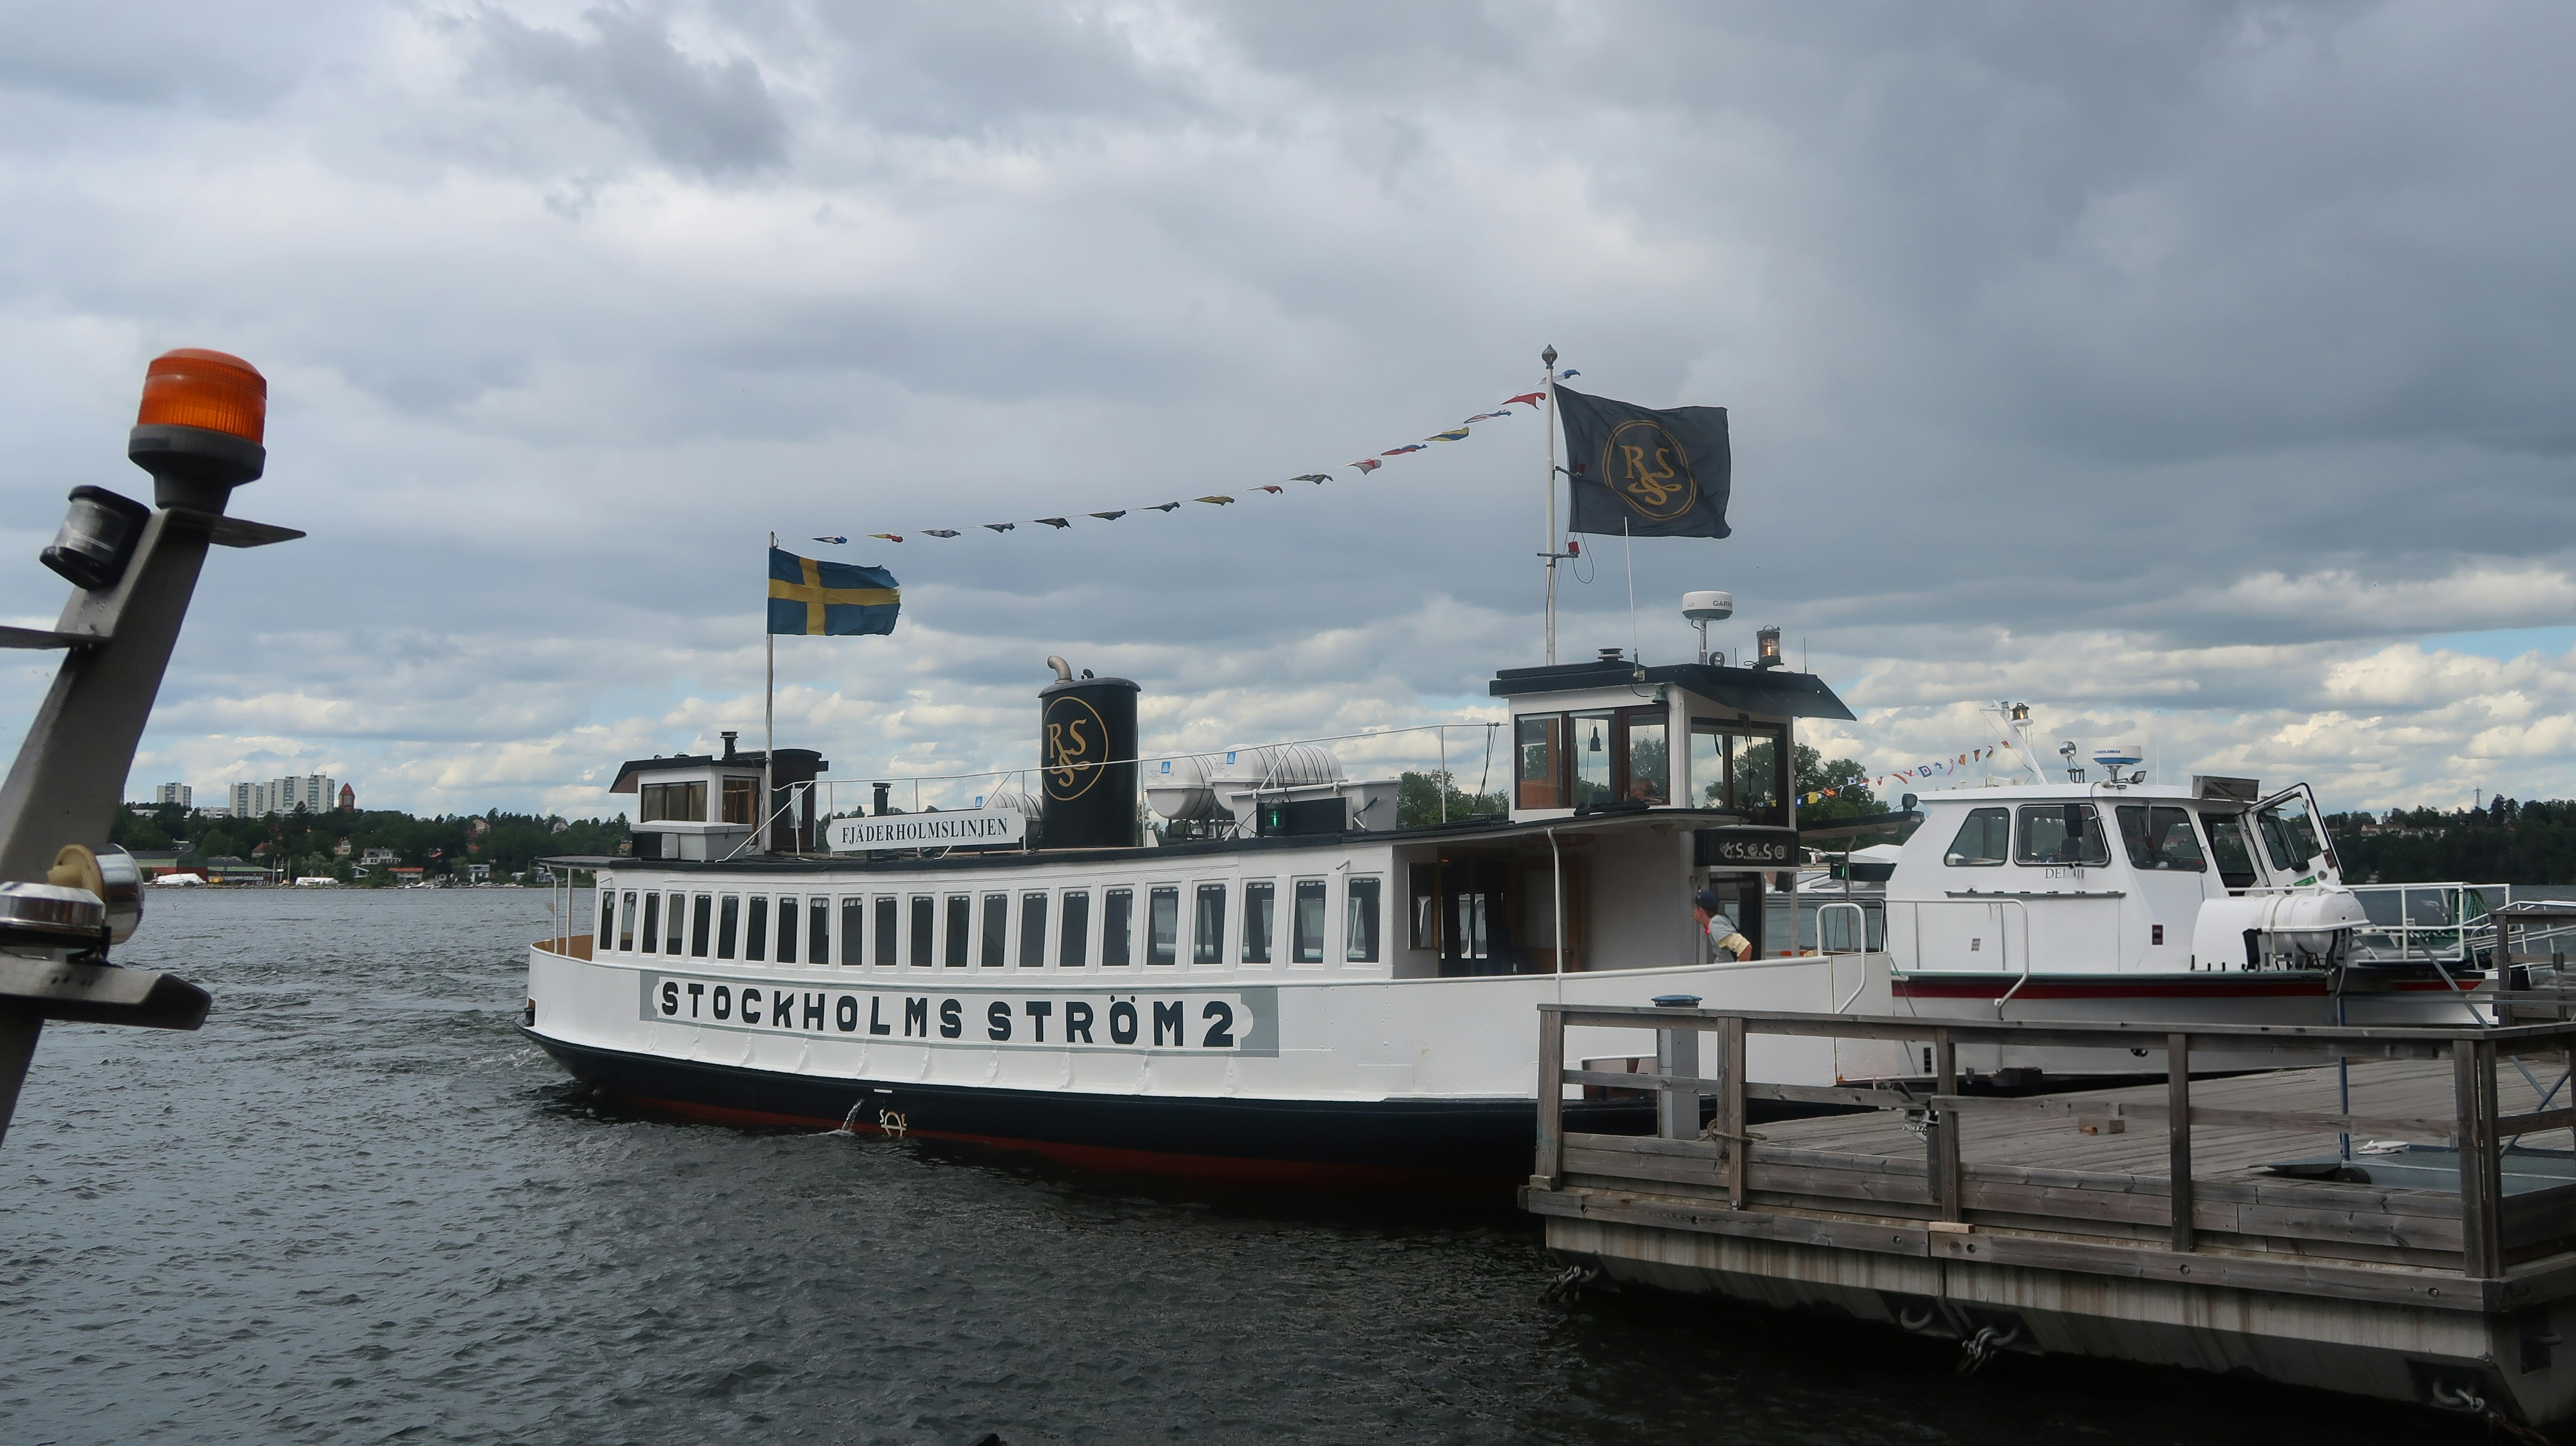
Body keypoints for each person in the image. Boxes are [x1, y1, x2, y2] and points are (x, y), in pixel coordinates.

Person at [1692, 888, 1752, 961]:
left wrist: (1739, 969)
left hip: (1727, 968)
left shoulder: (1715, 925)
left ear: (1701, 911)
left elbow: (1745, 948)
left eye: (1697, 908)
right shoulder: (1717, 922)